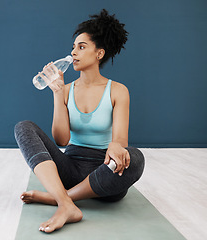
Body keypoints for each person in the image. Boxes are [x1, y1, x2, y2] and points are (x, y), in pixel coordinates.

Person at [14, 9, 145, 233]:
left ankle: (56, 198)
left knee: (136, 158)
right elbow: (61, 139)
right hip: (70, 169)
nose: (73, 52)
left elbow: (120, 140)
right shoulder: (65, 90)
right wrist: (57, 95)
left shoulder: (118, 91)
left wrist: (115, 145)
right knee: (23, 127)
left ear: (99, 53)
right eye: (73, 47)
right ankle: (66, 204)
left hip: (104, 172)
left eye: (81, 47)